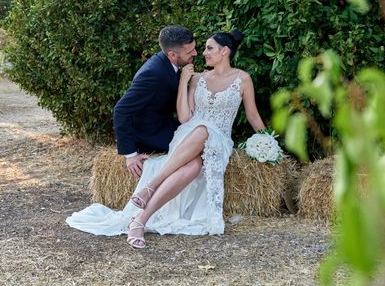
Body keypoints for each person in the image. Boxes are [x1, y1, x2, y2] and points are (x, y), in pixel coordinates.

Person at [66, 29, 265, 249]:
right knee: (194, 165)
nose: (201, 53)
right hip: (189, 135)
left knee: (203, 131)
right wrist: (184, 82)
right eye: (200, 48)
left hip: (218, 140)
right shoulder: (196, 78)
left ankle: (150, 187)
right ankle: (139, 220)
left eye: (208, 48)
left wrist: (267, 142)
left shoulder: (242, 78)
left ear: (225, 51)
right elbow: (184, 117)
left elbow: (253, 115)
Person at [113, 25, 197, 178]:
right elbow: (121, 110)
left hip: (165, 123)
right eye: (189, 52)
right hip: (151, 134)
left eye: (194, 49)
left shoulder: (170, 63)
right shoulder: (152, 74)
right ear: (172, 54)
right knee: (196, 147)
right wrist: (130, 155)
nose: (195, 53)